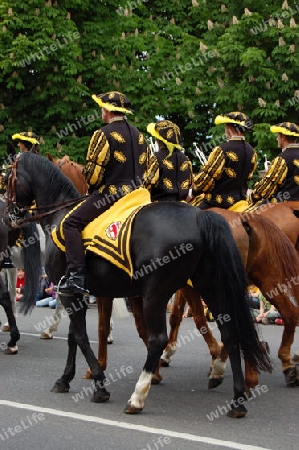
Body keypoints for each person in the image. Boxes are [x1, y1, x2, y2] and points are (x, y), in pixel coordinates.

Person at [59, 91, 151, 294]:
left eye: (102, 108)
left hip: (112, 195)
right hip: (139, 195)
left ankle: (76, 276)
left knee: (71, 223)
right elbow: (147, 169)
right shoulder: (140, 135)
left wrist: (93, 188)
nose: (101, 111)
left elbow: (92, 175)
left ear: (108, 110)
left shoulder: (103, 134)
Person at [192, 111, 257, 209]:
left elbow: (208, 177)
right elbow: (249, 176)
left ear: (229, 128)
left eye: (226, 126)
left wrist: (193, 191)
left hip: (218, 202)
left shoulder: (221, 150)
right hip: (241, 201)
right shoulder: (252, 152)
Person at [250, 122, 299, 204]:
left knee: (245, 215)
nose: (277, 139)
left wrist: (251, 197)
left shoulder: (282, 158)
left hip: (284, 205)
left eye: (278, 136)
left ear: (283, 137)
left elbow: (267, 187)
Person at [145, 119, 193, 201]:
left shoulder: (156, 158)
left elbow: (147, 184)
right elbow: (190, 183)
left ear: (158, 140)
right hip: (182, 203)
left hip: (159, 205)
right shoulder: (186, 159)